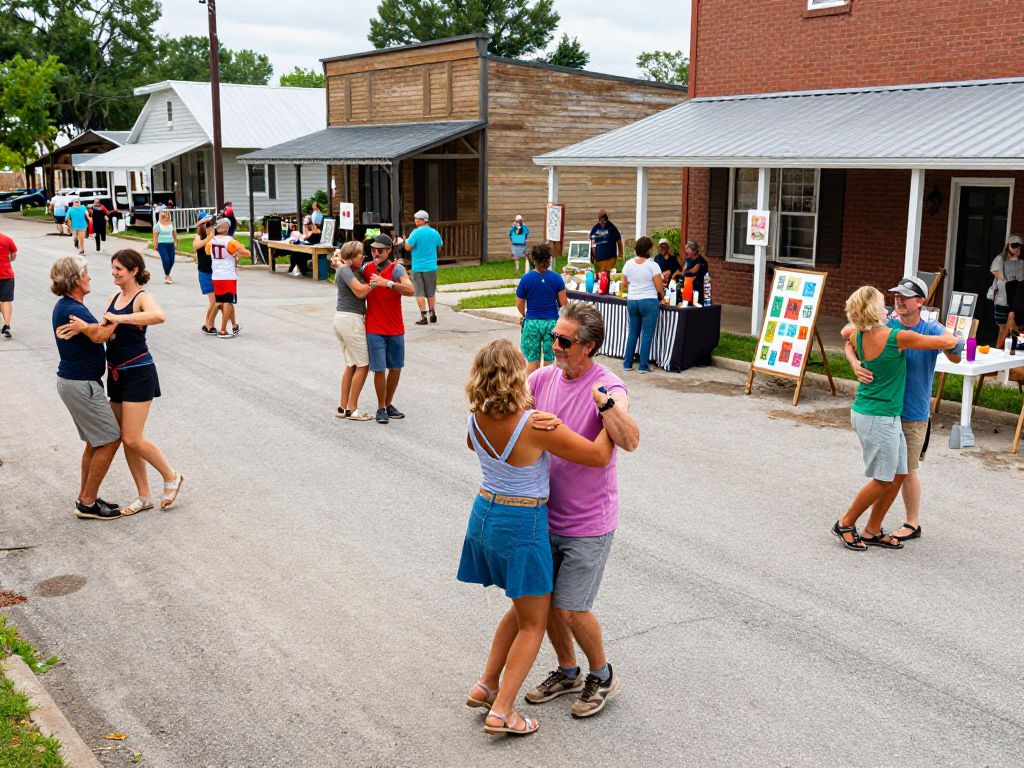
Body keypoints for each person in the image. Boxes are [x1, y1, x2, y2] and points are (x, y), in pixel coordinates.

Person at [459, 338, 614, 737]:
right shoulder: (536, 425)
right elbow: (597, 455)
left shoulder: (475, 417)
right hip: (522, 524)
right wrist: (610, 419)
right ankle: (503, 712)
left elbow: (480, 443)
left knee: (521, 608)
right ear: (515, 376)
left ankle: (486, 684)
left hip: (485, 515)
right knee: (534, 622)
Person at [523, 302, 640, 719]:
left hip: (587, 522)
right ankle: (568, 670)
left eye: (564, 341)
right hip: (542, 514)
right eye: (553, 337)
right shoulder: (541, 378)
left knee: (572, 607)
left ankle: (602, 674)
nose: (554, 345)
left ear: (588, 346)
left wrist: (605, 408)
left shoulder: (609, 387)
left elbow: (629, 441)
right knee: (547, 602)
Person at [834, 286, 957, 552]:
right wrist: (948, 331)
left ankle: (872, 530)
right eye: (882, 303)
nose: (888, 306)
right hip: (879, 416)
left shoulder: (858, 334)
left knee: (900, 473)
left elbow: (846, 334)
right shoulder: (895, 337)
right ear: (872, 310)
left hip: (877, 412)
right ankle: (845, 523)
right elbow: (947, 343)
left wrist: (854, 362)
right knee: (883, 479)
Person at [80, 249, 183, 514]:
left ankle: (171, 476)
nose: (113, 272)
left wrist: (121, 318)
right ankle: (144, 496)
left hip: (139, 372)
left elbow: (159, 316)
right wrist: (84, 329)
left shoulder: (142, 297)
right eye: (112, 267)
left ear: (134, 271)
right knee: (123, 437)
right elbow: (104, 330)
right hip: (116, 374)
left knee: (132, 438)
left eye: (119, 269)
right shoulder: (114, 296)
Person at [50, 255, 122, 520]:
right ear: (74, 279)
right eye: (86, 273)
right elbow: (100, 334)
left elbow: (96, 331)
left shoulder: (69, 305)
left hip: (76, 383)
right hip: (81, 384)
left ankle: (85, 499)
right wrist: (121, 314)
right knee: (111, 438)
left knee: (96, 440)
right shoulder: (73, 309)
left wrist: (102, 323)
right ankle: (88, 502)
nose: (89, 277)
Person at [362, 234, 415, 423]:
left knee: (395, 368)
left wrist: (389, 284)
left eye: (380, 250)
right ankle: (381, 408)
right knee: (379, 369)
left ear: (389, 251)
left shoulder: (396, 269)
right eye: (373, 250)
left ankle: (389, 403)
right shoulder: (366, 269)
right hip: (374, 328)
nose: (376, 253)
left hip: (395, 327)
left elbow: (410, 290)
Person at [330, 241, 373, 421]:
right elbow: (360, 292)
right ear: (351, 256)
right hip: (351, 319)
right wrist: (376, 283)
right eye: (360, 254)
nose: (362, 257)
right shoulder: (346, 270)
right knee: (363, 364)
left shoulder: (347, 269)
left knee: (352, 364)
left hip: (343, 318)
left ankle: (343, 406)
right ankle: (352, 409)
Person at [515, 244, 567, 375]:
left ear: (533, 259)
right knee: (550, 360)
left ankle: (528, 392)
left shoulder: (525, 279)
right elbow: (564, 304)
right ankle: (548, 391)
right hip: (551, 324)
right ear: (549, 260)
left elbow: (519, 303)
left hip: (532, 323)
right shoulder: (556, 278)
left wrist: (525, 315)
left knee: (533, 362)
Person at [620, 236, 665, 373]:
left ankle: (627, 363)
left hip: (632, 300)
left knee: (633, 333)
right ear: (649, 250)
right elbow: (659, 287)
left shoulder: (628, 264)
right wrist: (662, 297)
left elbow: (623, 284)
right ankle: (643, 366)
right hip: (649, 301)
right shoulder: (653, 265)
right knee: (646, 334)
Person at [401, 209, 444, 326]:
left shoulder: (415, 233)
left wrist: (405, 242)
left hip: (418, 267)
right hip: (431, 266)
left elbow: (408, 248)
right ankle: (432, 312)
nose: (415, 221)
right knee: (431, 291)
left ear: (421, 220)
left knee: (419, 292)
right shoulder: (434, 232)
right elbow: (439, 245)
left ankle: (423, 316)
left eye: (416, 219)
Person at [209, 218, 249, 338]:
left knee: (221, 301)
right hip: (228, 275)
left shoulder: (212, 241)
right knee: (228, 301)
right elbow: (247, 253)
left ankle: (231, 325)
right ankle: (223, 330)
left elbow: (207, 251)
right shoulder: (231, 241)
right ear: (227, 228)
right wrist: (240, 249)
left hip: (216, 275)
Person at [990, 233, 1023, 348]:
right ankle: (998, 355)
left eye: (1019, 246)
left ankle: (1011, 354)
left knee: (1015, 330)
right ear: (1008, 246)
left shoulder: (1020, 262)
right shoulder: (1000, 259)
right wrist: (1009, 278)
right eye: (1014, 245)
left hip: (1016, 302)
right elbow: (995, 272)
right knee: (1003, 330)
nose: (1016, 248)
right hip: (1002, 300)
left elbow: (1021, 279)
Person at [192, 212, 220, 335]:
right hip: (205, 272)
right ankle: (208, 324)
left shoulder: (215, 235)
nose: (211, 226)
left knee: (219, 301)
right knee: (214, 301)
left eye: (211, 224)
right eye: (208, 224)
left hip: (216, 272)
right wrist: (208, 239)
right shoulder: (198, 236)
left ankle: (208, 323)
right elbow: (196, 246)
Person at [153, 210, 178, 284]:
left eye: (167, 216)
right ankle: (167, 276)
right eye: (164, 216)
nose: (166, 218)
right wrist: (156, 245)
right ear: (161, 216)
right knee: (166, 260)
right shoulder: (157, 225)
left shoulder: (171, 224)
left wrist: (175, 242)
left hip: (170, 244)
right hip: (162, 244)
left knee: (172, 260)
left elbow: (174, 234)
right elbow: (155, 236)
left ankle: (167, 275)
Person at [0, 230, 16, 338]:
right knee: (6, 300)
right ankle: (7, 325)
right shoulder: (7, 239)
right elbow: (13, 256)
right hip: (7, 275)